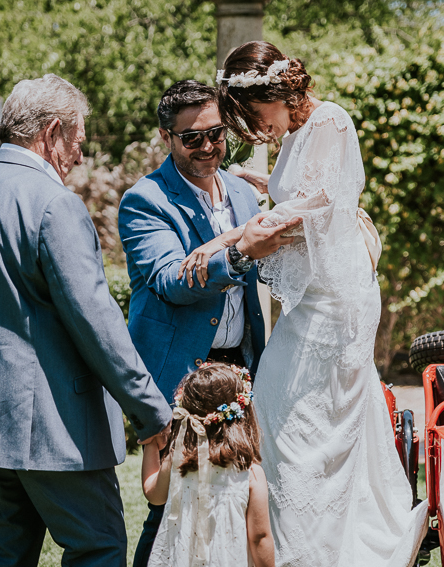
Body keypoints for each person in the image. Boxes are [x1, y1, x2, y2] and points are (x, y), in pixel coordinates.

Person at [183, 41, 429, 566]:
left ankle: (315, 550)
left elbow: (313, 204)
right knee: (281, 415)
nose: (255, 129)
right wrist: (258, 182)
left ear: (278, 92)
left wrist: (221, 241)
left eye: (255, 115)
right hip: (311, 300)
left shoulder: (330, 121)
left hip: (336, 303)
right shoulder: (293, 135)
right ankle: (302, 542)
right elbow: (292, 192)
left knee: (299, 419)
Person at [0, 74, 172, 567]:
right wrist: (150, 411)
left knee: (5, 559)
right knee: (96, 549)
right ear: (52, 132)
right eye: (78, 142)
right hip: (56, 429)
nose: (79, 157)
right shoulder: (55, 204)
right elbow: (97, 325)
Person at [117, 79, 299, 567]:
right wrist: (240, 254)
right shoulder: (145, 200)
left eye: (215, 134)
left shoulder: (241, 193)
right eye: (191, 138)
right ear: (165, 137)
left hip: (240, 370)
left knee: (239, 494)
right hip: (181, 378)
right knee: (173, 503)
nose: (207, 147)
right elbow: (172, 280)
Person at [141, 363, 275, 567]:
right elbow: (259, 537)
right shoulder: (250, 473)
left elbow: (153, 494)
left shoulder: (178, 459)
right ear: (242, 415)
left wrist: (151, 444)